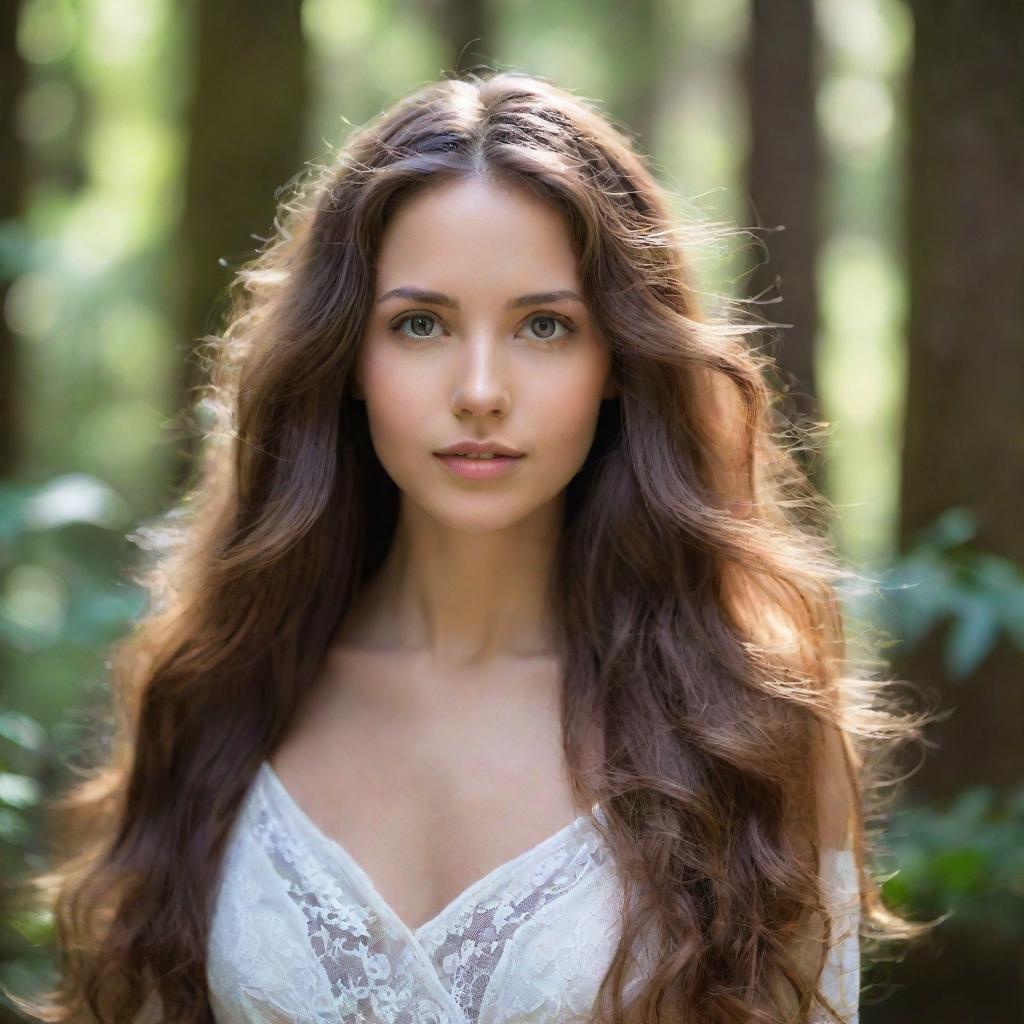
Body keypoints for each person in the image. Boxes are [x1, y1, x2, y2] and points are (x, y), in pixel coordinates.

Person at [9, 69, 934, 1024]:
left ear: (616, 360)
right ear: (347, 359)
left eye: (545, 326)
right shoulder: (220, 688)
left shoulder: (752, 728)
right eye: (420, 324)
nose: (481, 389)